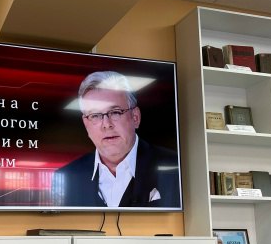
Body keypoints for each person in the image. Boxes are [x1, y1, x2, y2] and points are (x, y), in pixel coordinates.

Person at [53, 71, 180, 208]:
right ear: (86, 124)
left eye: (115, 112)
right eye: (95, 115)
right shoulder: (66, 177)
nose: (106, 124)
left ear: (135, 117)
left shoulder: (175, 167)